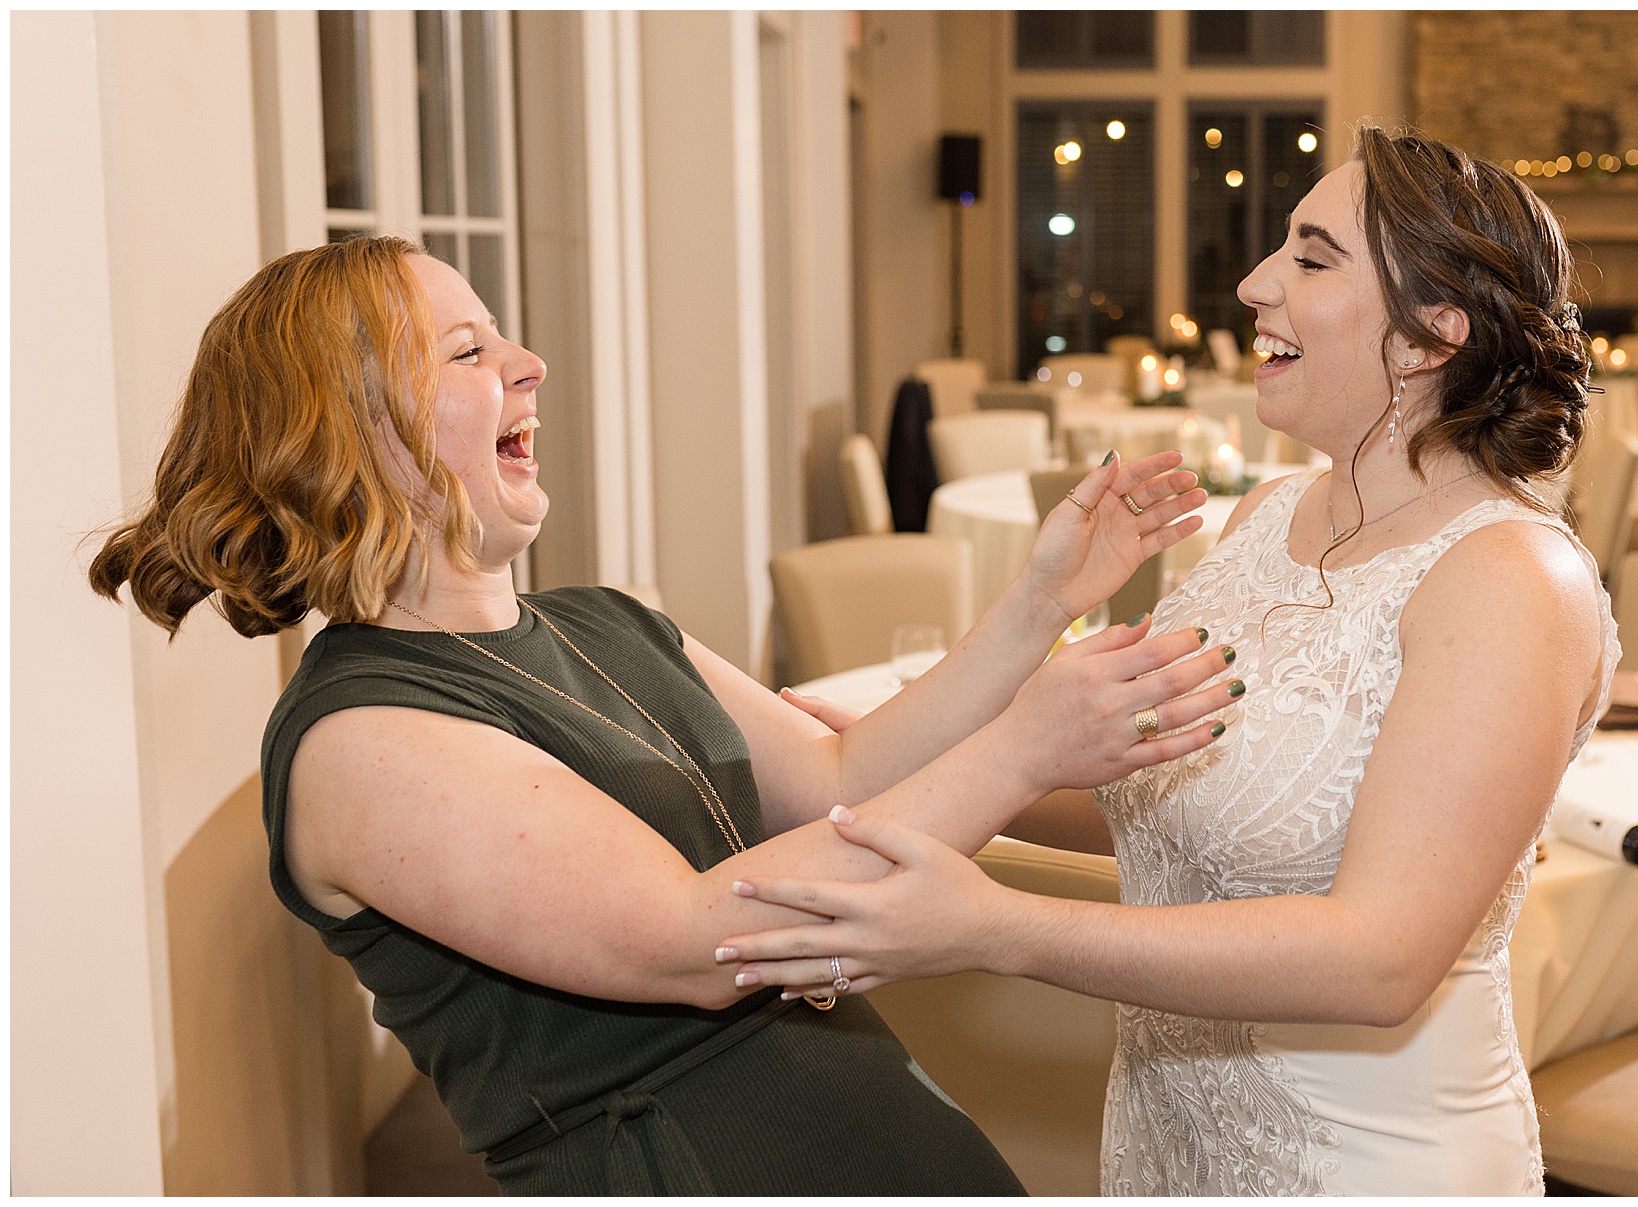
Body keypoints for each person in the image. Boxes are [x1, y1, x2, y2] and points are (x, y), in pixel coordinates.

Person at [88, 235, 1242, 1194]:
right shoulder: (358, 740)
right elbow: (706, 942)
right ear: (350, 428)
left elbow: (845, 775)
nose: (530, 363)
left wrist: (1041, 598)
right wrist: (1027, 746)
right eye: (468, 350)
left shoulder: (607, 619)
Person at [721, 126, 1620, 1195]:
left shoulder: (1512, 577)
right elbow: (1174, 806)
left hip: (1369, 1167)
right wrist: (910, 773)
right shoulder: (1268, 516)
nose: (1252, 285)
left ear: (1430, 336)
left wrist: (993, 925)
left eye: (1311, 257)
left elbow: (1380, 958)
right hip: (1170, 1147)